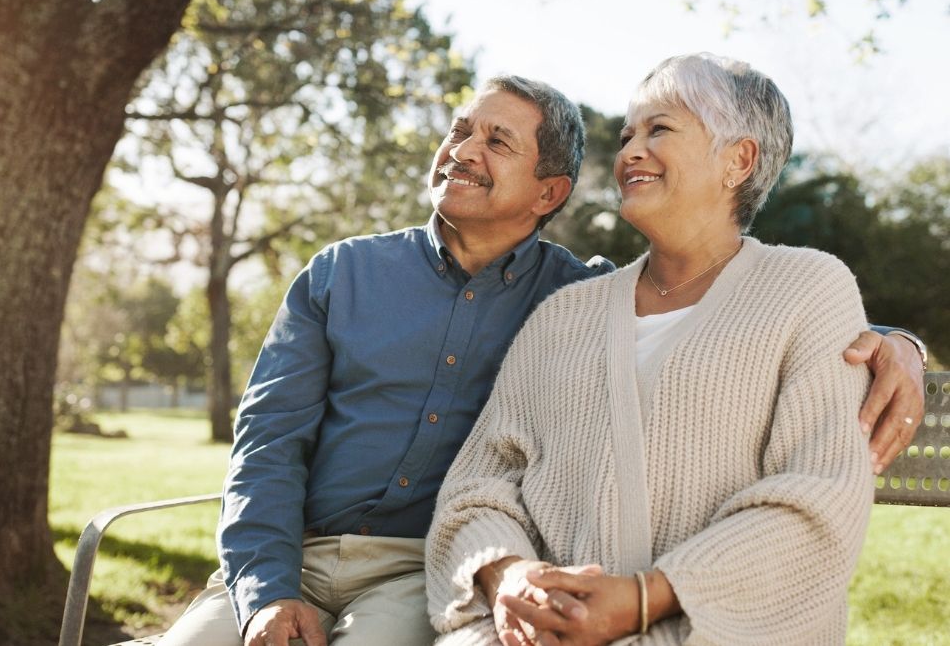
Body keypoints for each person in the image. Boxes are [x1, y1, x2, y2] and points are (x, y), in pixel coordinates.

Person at [160, 73, 925, 646]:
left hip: (410, 569)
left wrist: (898, 344)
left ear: (549, 190)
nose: (462, 150)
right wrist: (264, 589)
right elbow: (265, 445)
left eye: (497, 142)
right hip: (286, 552)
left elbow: (738, 300)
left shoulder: (572, 296)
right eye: (460, 131)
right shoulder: (342, 273)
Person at [425, 54, 921, 646]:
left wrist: (639, 600)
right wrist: (508, 576)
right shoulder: (562, 314)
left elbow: (818, 499)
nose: (629, 151)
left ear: (739, 159)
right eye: (627, 135)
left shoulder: (809, 287)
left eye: (658, 129)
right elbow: (477, 486)